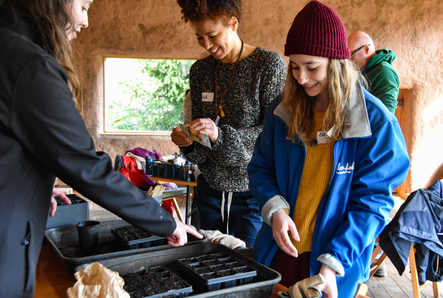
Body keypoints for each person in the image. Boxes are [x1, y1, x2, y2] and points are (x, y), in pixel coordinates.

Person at [0, 0, 202, 297]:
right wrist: (167, 223)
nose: (86, 21)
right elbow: (88, 167)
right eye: (83, 6)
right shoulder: (30, 65)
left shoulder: (3, 42)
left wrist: (34, 181)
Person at [247, 1, 410, 297]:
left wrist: (334, 262)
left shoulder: (375, 122)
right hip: (280, 251)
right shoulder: (281, 112)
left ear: (337, 63)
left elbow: (373, 203)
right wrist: (275, 210)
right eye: (294, 67)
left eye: (312, 67)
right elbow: (261, 168)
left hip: (336, 260)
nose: (301, 78)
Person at [171, 0, 286, 248]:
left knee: (248, 265)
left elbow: (273, 134)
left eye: (212, 35)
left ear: (233, 24)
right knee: (206, 261)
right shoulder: (201, 70)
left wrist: (219, 136)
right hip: (209, 189)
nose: (207, 45)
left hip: (252, 192)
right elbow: (203, 145)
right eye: (200, 37)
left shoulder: (268, 66)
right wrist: (189, 142)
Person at [347, 31, 400, 113]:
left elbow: (386, 114)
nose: (349, 61)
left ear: (366, 49)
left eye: (351, 56)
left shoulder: (384, 72)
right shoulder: (363, 70)